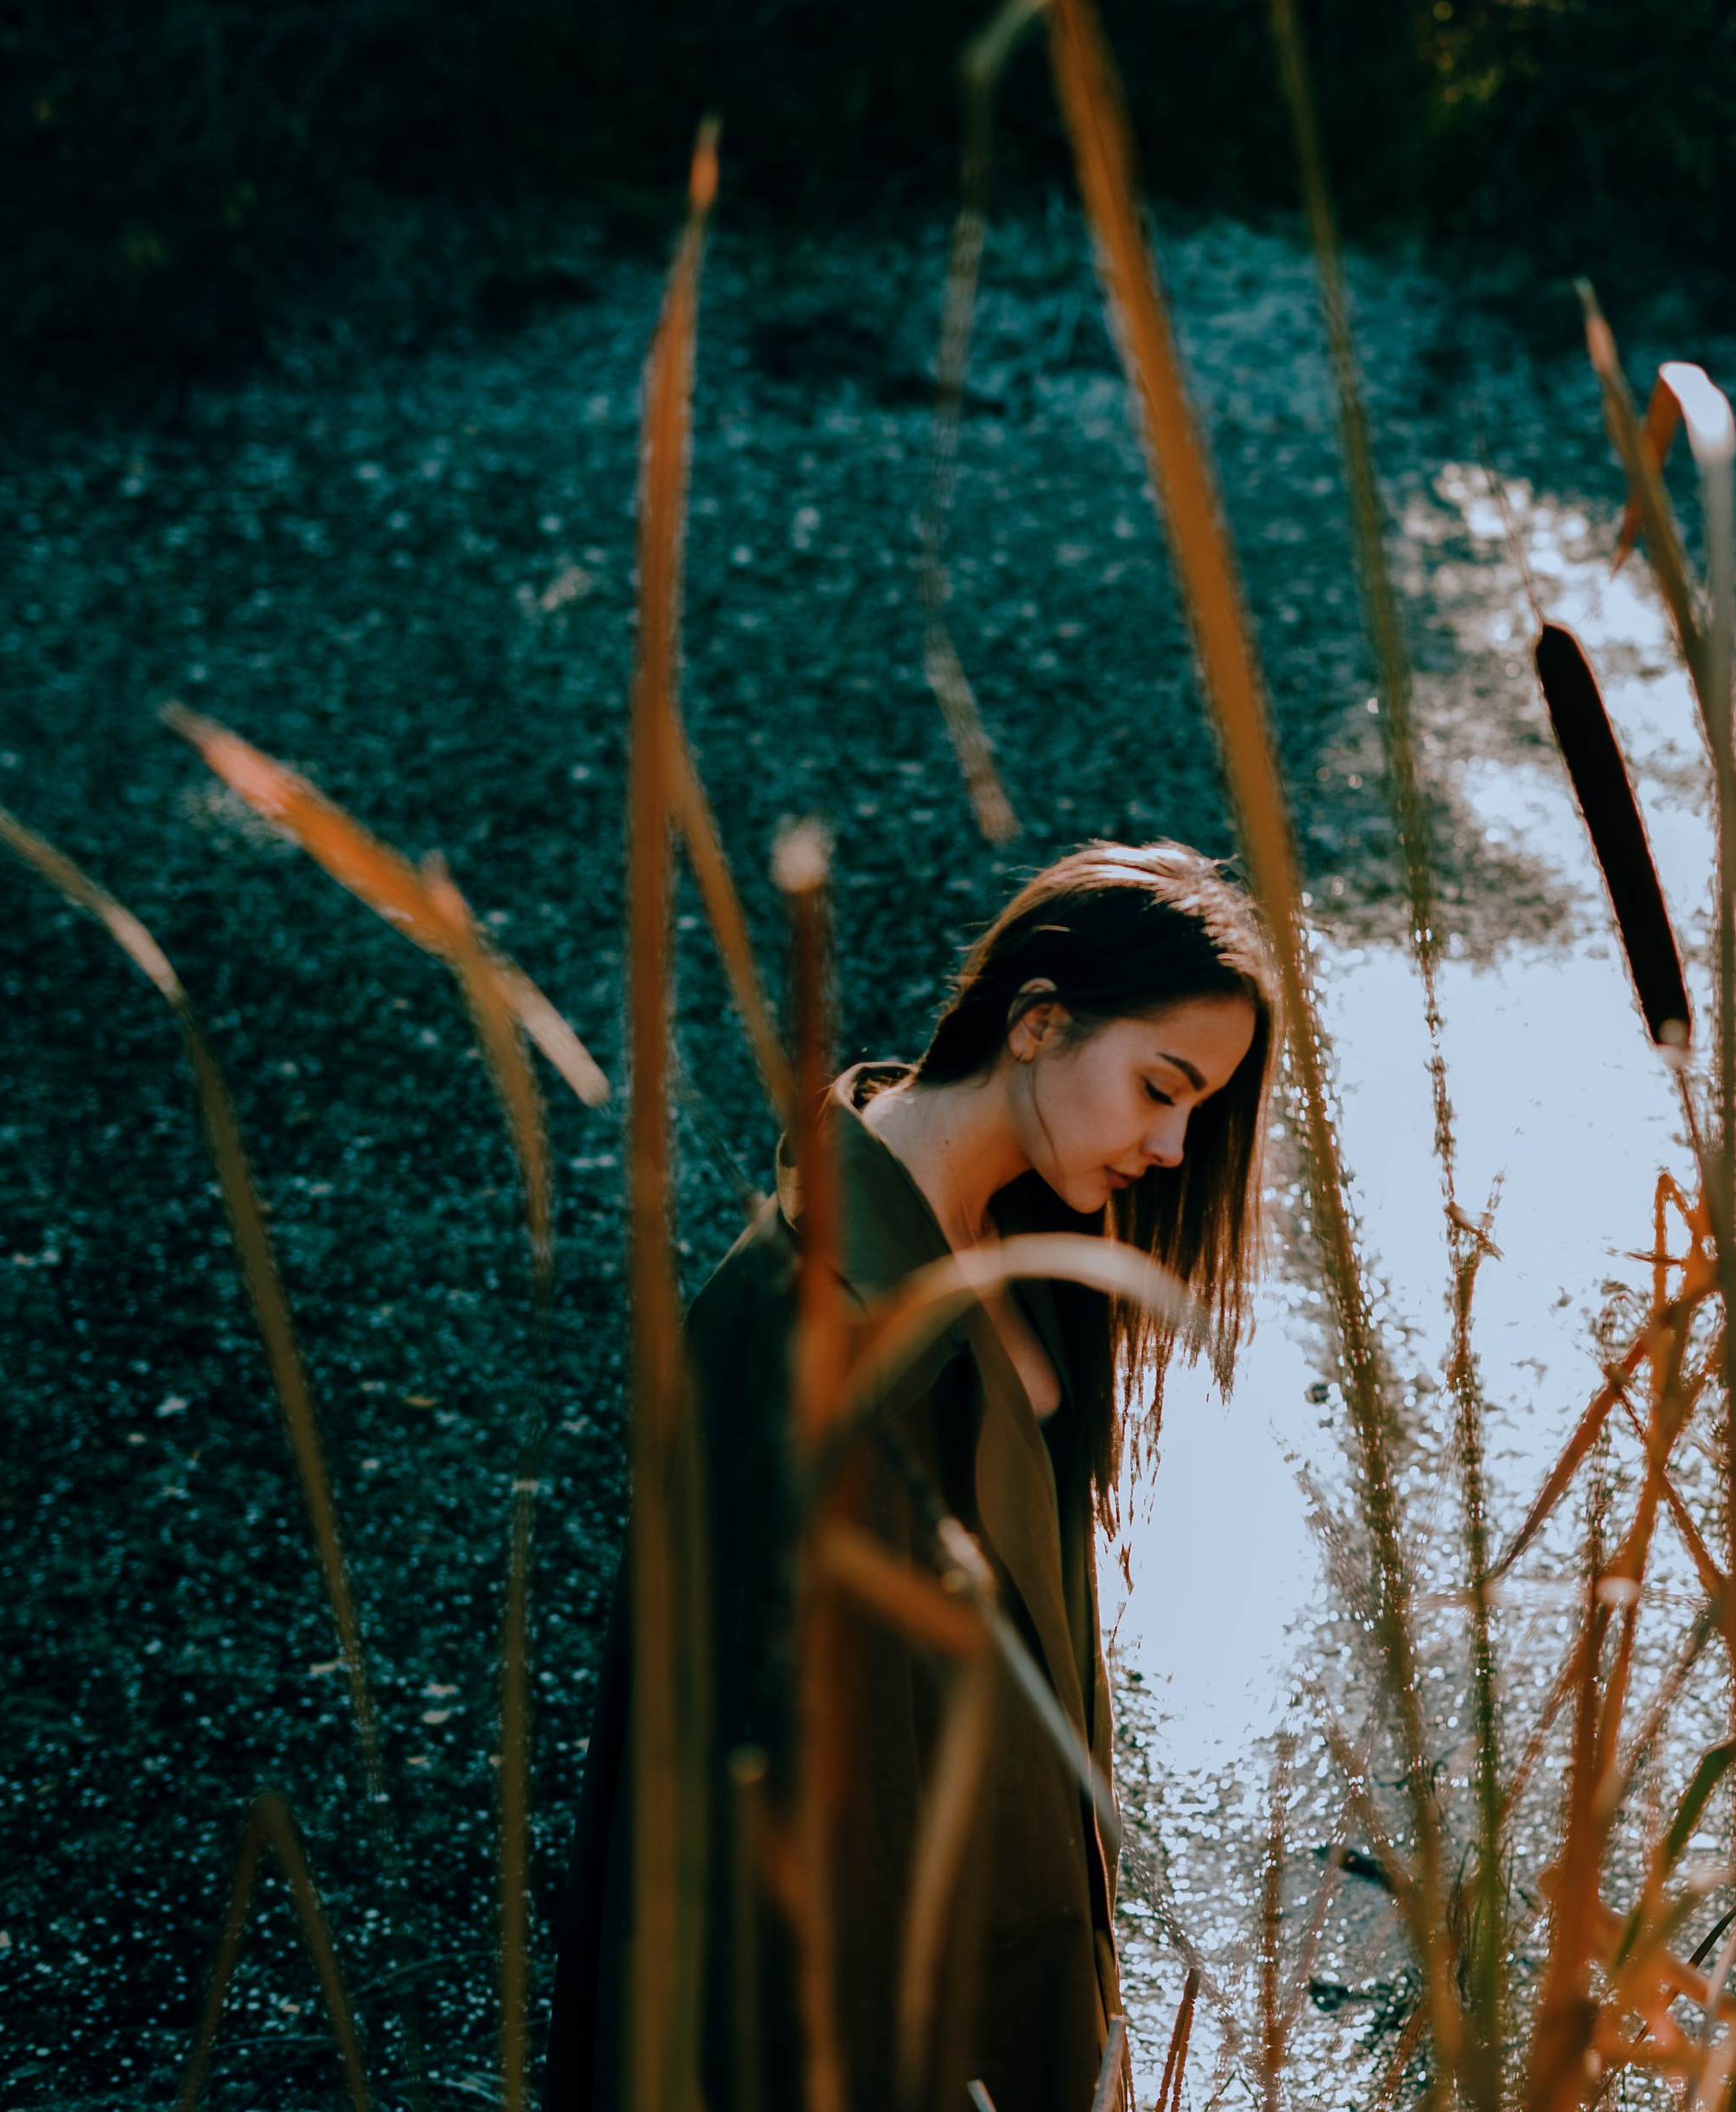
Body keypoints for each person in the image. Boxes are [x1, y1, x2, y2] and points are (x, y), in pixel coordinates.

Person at [545, 841, 1278, 2112]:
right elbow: (766, 1801)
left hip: (1024, 1936)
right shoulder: (800, 1320)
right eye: (1161, 1088)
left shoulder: (1026, 1246)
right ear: (1039, 1022)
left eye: (1197, 1110)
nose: (1171, 1146)